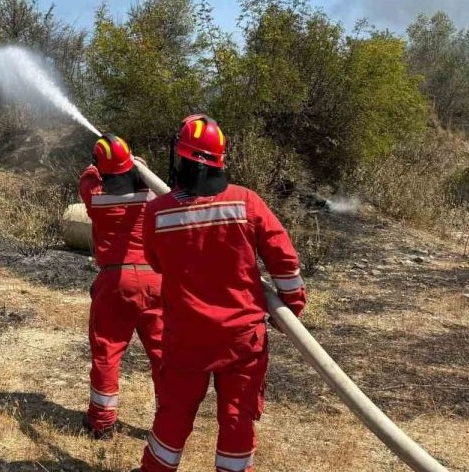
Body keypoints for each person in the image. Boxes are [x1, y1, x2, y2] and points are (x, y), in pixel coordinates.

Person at [136, 115, 306, 472]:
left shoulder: (156, 213)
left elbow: (156, 261)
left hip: (187, 340)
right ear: (220, 159)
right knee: (237, 422)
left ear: (181, 158)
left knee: (173, 419)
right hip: (242, 341)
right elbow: (285, 259)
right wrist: (291, 306)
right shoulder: (247, 202)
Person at [79, 133, 164, 440]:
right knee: (162, 356)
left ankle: (101, 423)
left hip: (116, 282)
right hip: (157, 281)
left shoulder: (96, 196)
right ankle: (168, 423)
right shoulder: (153, 195)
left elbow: (89, 176)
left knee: (107, 352)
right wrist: (136, 164)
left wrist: (98, 164)